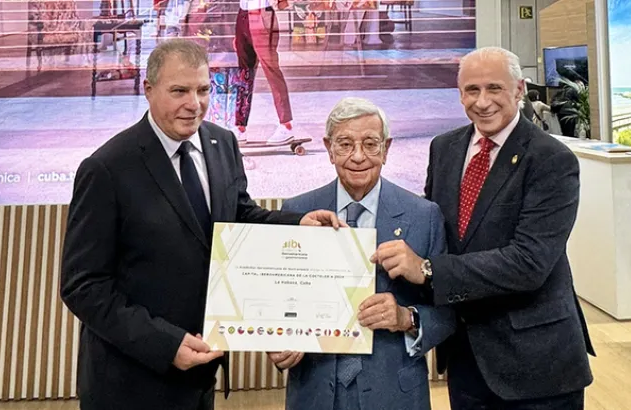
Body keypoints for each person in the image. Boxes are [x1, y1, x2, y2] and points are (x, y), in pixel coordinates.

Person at [60, 38, 340, 410]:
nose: (194, 104)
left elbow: (238, 217)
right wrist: (164, 343)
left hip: (201, 375)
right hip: (129, 384)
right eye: (179, 91)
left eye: (203, 90)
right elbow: (83, 286)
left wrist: (297, 224)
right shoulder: (107, 168)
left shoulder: (221, 143)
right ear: (148, 90)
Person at [373, 47, 594, 409]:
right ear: (459, 94)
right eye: (471, 90)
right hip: (466, 357)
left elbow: (529, 263)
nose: (483, 101)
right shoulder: (444, 148)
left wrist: (427, 269)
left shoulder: (552, 159)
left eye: (495, 88)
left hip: (538, 364)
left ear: (519, 90)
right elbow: (435, 232)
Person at [271, 97, 456, 410]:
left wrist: (406, 318)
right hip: (313, 391)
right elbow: (274, 300)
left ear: (387, 148)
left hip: (394, 393)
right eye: (344, 144)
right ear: (328, 148)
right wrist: (276, 340)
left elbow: (449, 313)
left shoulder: (423, 216)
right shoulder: (296, 212)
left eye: (370, 144)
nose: (358, 156)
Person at [233, 0, 298, 145]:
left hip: (262, 12)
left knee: (271, 70)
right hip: (243, 13)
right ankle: (240, 126)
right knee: (244, 72)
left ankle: (286, 124)